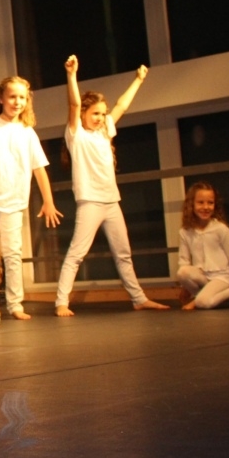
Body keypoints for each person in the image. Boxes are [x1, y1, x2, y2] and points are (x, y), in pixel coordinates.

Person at [54, 56, 168, 316]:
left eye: (102, 114)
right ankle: (61, 301)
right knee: (77, 253)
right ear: (84, 113)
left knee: (124, 253)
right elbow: (73, 103)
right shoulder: (76, 135)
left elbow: (122, 105)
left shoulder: (105, 131)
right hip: (90, 202)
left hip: (111, 202)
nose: (100, 118)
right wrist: (71, 75)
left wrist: (138, 80)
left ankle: (138, 298)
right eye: (95, 113)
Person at [0, 76, 62, 320]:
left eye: (22, 97)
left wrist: (48, 201)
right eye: (12, 97)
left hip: (13, 200)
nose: (17, 102)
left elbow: (39, 169)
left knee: (12, 253)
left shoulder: (27, 132)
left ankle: (15, 304)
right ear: (1, 98)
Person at [176, 182, 229, 310]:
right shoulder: (185, 231)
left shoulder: (221, 229)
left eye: (210, 203)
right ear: (191, 204)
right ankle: (201, 295)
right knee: (182, 272)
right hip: (203, 276)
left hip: (222, 277)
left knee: (202, 303)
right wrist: (185, 287)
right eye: (200, 202)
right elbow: (184, 260)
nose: (206, 207)